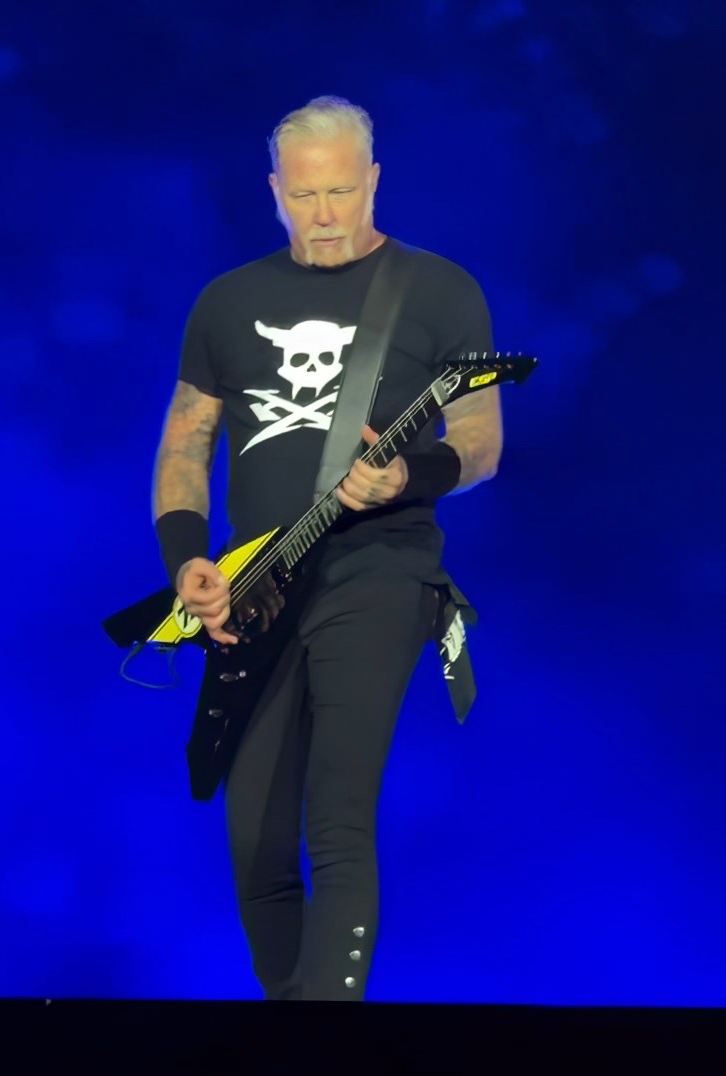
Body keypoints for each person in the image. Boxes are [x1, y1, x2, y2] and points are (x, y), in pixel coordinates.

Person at [148, 95, 504, 1001]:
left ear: (373, 180)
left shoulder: (438, 290)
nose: (326, 215)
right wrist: (188, 561)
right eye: (305, 196)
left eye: (342, 191)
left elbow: (481, 443)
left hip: (381, 568)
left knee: (337, 817)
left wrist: (408, 474)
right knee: (254, 842)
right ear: (275, 191)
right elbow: (185, 444)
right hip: (257, 584)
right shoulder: (228, 302)